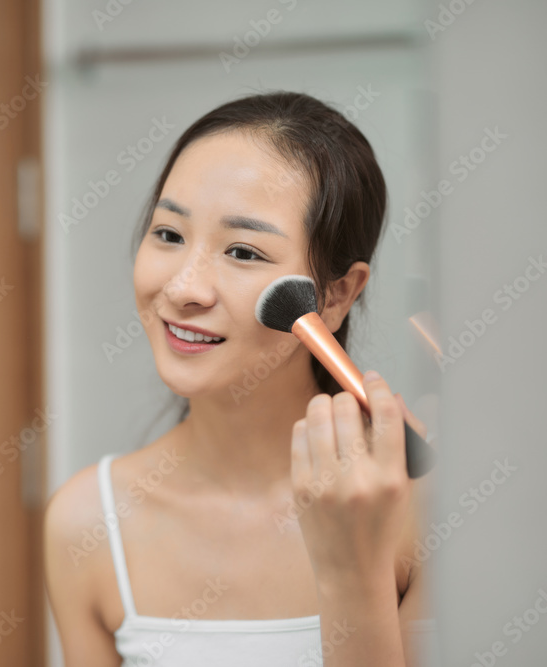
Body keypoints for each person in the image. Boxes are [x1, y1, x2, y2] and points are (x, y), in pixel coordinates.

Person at [44, 91, 437, 666]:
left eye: (243, 251)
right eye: (169, 235)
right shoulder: (85, 523)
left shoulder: (420, 511)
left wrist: (352, 574)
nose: (183, 289)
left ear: (336, 295)